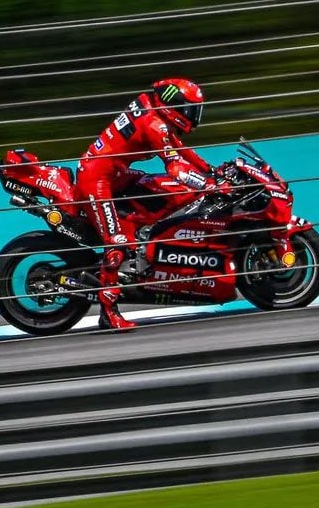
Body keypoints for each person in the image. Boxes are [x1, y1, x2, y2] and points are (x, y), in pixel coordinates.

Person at [77, 77, 229, 331]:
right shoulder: (155, 124)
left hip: (115, 173)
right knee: (117, 244)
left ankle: (142, 246)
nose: (193, 116)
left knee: (155, 192)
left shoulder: (153, 109)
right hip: (97, 180)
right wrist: (209, 185)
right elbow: (176, 168)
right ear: (174, 106)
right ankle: (108, 312)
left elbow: (178, 147)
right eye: (189, 110)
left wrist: (211, 170)